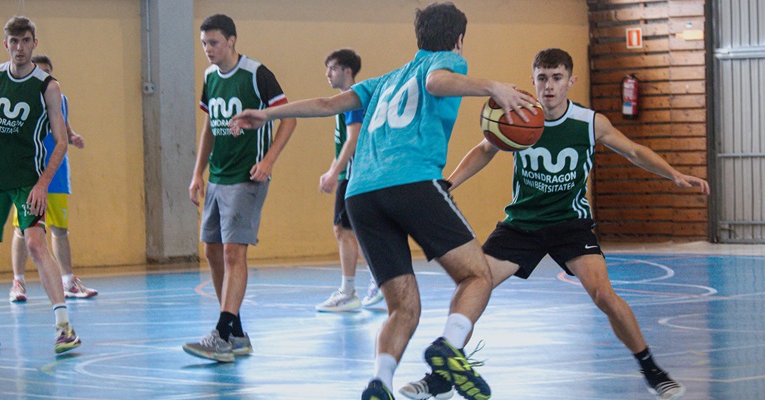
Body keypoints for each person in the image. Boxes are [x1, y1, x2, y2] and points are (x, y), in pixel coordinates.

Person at [231, 3, 537, 398]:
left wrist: (267, 115)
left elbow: (327, 105)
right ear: (459, 39)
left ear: (418, 38)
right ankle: (448, 346)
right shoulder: (448, 62)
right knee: (476, 275)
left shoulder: (384, 81)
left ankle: (380, 383)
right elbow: (436, 84)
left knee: (402, 307)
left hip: (361, 194)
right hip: (410, 182)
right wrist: (493, 86)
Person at [399, 48, 705, 400]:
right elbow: (485, 150)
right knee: (474, 283)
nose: (548, 86)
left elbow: (634, 151)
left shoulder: (590, 122)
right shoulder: (518, 113)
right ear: (533, 80)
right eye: (542, 78)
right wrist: (449, 183)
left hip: (569, 225)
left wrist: (674, 174)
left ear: (570, 81)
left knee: (604, 294)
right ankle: (440, 376)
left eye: (557, 78)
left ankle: (653, 371)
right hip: (521, 224)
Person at [0, 16, 81, 354]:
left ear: (34, 43)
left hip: (28, 178)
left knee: (36, 244)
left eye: (25, 41)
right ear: (6, 44)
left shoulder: (47, 87)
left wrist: (43, 184)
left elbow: (60, 141)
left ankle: (64, 328)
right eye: (13, 42)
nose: (19, 48)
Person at [183, 14, 297, 363]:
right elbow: (208, 127)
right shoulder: (209, 77)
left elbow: (288, 117)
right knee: (213, 252)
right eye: (204, 44)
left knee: (234, 253)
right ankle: (235, 332)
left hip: (247, 177)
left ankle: (221, 332)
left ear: (231, 41)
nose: (208, 50)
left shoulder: (256, 74)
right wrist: (197, 172)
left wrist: (269, 161)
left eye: (214, 43)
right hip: (217, 176)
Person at [8, 54, 97, 303]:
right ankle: (18, 282)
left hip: (56, 176)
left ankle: (68, 281)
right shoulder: (20, 101)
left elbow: (63, 129)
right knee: (22, 229)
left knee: (60, 230)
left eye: (48, 73)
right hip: (28, 176)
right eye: (39, 72)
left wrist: (73, 137)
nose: (44, 78)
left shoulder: (60, 100)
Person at [315, 48, 382, 312]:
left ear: (347, 71)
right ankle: (378, 282)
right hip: (353, 173)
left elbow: (353, 138)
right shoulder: (347, 99)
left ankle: (350, 291)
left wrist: (335, 172)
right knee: (350, 232)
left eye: (332, 68)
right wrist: (334, 169)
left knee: (344, 232)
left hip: (354, 175)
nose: (327, 74)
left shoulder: (352, 99)